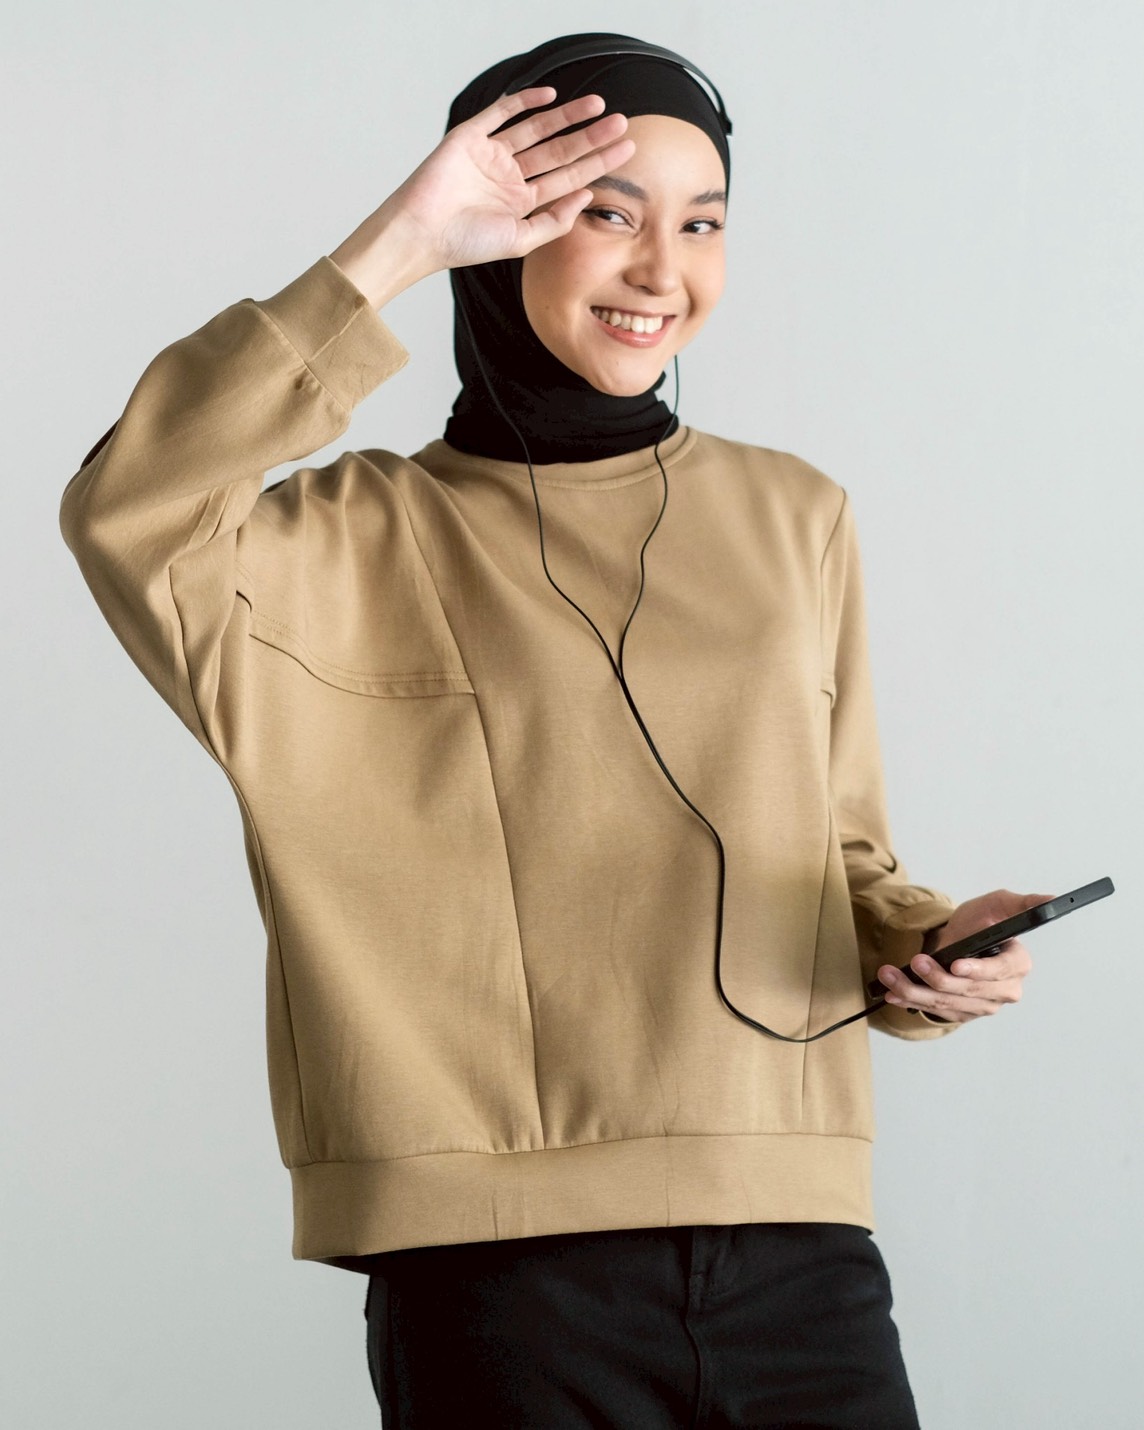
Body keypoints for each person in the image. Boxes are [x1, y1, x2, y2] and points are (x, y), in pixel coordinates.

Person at [60, 31, 1045, 1429]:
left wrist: (927, 946)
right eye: (608, 212)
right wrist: (398, 245)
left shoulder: (795, 516)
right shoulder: (342, 541)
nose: (663, 270)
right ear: (500, 228)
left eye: (702, 223)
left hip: (798, 1235)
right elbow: (129, 506)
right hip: (496, 1269)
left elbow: (837, 856)